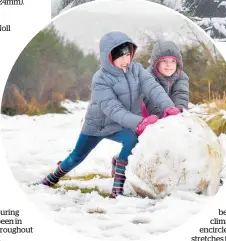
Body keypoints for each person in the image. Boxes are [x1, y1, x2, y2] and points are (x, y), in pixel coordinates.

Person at [36, 31, 181, 198]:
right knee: (76, 157)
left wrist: (168, 107)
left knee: (133, 140)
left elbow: (153, 89)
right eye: (120, 56)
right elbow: (113, 109)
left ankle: (117, 190)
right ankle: (51, 179)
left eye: (128, 55)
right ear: (109, 57)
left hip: (122, 125)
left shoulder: (137, 70)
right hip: (98, 125)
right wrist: (140, 122)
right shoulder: (100, 79)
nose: (126, 60)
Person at [141, 40, 189, 118]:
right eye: (164, 61)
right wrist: (160, 116)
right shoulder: (147, 76)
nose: (169, 65)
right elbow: (150, 98)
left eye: (173, 61)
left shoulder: (181, 76)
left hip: (170, 109)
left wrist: (180, 112)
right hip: (149, 111)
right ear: (156, 62)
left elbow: (181, 94)